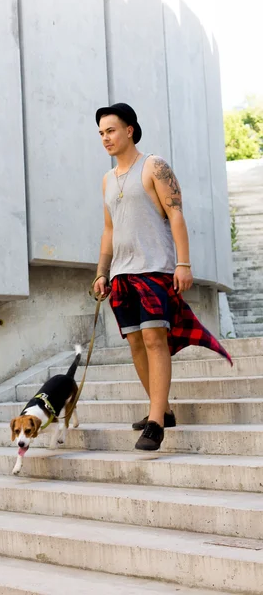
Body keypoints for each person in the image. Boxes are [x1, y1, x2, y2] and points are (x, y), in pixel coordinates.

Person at [93, 103, 232, 451]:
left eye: (110, 130)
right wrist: (101, 272)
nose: (105, 138)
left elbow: (176, 215)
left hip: (154, 268)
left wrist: (183, 264)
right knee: (136, 343)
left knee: (155, 340)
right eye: (100, 133)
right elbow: (109, 231)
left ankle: (155, 422)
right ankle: (163, 409)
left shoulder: (154, 166)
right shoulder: (108, 179)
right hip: (121, 275)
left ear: (129, 130)